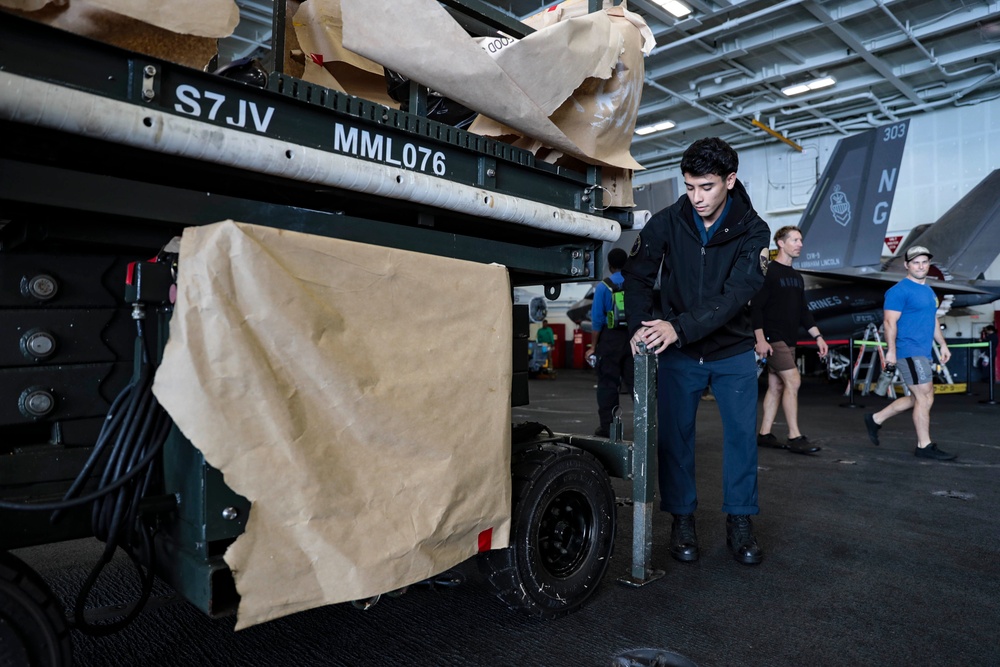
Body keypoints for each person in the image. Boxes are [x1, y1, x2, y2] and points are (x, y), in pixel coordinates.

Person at [623, 137, 771, 565]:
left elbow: (735, 294)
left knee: (743, 440)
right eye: (689, 187)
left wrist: (678, 327)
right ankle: (682, 519)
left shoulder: (755, 230)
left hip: (733, 352)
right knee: (676, 441)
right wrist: (637, 326)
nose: (697, 197)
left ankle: (740, 521)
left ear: (730, 179)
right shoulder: (669, 220)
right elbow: (637, 275)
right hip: (679, 356)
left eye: (706, 187)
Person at [863, 246, 955, 460]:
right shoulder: (899, 291)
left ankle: (875, 419)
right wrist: (891, 352)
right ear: (907, 265)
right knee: (923, 396)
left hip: (923, 351)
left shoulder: (929, 291)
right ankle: (924, 446)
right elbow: (889, 322)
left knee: (922, 397)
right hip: (908, 349)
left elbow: (932, 319)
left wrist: (942, 344)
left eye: (924, 262)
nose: (921, 266)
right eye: (916, 262)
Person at [751, 226, 829, 455]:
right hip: (772, 338)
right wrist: (760, 339)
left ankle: (765, 434)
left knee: (776, 386)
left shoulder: (796, 277)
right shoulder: (769, 272)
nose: (800, 244)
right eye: (795, 239)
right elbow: (756, 307)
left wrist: (819, 337)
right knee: (793, 381)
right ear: (780, 243)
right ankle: (795, 436)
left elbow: (804, 311)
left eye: (801, 240)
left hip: (789, 338)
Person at [586, 248, 634, 437]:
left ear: (610, 264)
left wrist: (592, 346)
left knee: (608, 383)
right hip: (633, 337)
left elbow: (597, 320)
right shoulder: (635, 284)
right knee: (636, 384)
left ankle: (608, 428)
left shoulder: (603, 287)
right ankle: (648, 425)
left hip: (610, 339)